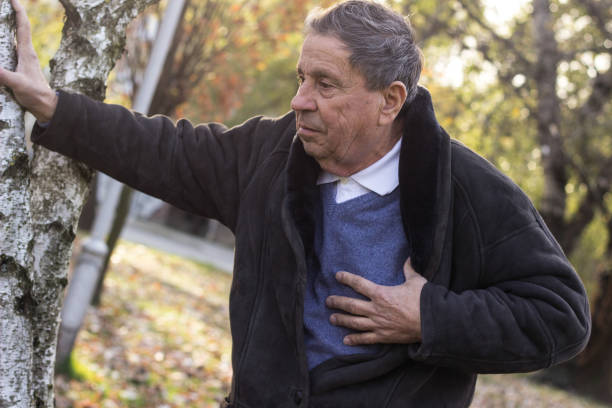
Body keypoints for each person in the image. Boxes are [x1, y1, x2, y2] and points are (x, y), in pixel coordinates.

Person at [0, 0, 591, 406]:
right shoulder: (271, 153)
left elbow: (561, 318)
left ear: (390, 100)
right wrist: (52, 105)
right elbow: (166, 152)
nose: (300, 100)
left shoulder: (466, 190)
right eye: (300, 77)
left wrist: (429, 316)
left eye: (324, 84)